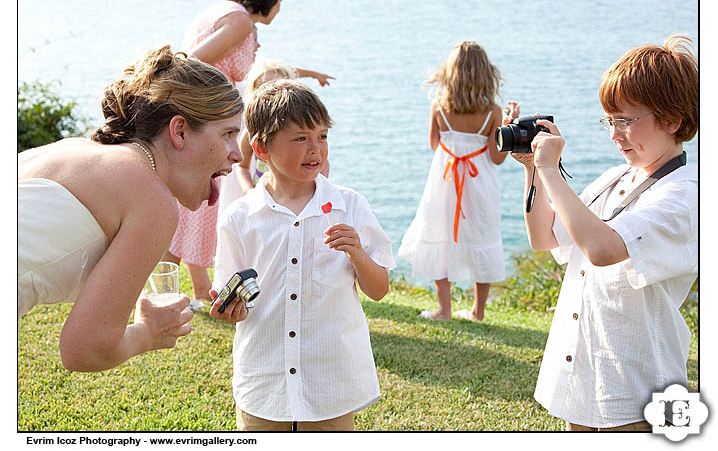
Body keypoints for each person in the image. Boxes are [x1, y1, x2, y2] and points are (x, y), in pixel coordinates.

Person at [18, 45, 244, 372]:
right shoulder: (153, 201)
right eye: (227, 134)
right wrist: (149, 334)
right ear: (179, 131)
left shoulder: (77, 149)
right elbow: (84, 349)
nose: (237, 155)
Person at [512, 35, 698, 431]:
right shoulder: (616, 177)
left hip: (641, 386)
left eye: (627, 121)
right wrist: (533, 169)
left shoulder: (686, 195)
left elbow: (601, 248)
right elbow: (544, 237)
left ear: (673, 119)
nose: (615, 135)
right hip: (583, 374)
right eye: (610, 121)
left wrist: (550, 170)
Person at [209, 79, 396, 431]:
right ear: (261, 148)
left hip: (330, 384)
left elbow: (379, 289)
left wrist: (357, 253)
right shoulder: (239, 217)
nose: (316, 150)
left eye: (322, 136)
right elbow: (228, 299)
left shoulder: (350, 206)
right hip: (264, 383)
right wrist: (228, 309)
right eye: (300, 138)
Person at [166, 0, 334, 310]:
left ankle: (180, 290)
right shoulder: (241, 20)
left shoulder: (222, 12)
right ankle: (194, 291)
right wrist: (215, 105)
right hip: (208, 118)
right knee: (202, 207)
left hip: (203, 117)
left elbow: (256, 71)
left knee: (192, 208)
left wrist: (309, 72)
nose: (280, 7)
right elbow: (191, 62)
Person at [398, 41, 516, 321]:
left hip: (444, 181)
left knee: (439, 233)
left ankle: (444, 309)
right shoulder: (493, 112)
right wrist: (509, 127)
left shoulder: (439, 107)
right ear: (486, 74)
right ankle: (478, 311)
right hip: (480, 184)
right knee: (482, 235)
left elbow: (433, 144)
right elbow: (496, 158)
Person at [218, 58, 332, 217]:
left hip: (301, 191)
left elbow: (323, 163)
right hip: (265, 193)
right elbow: (242, 167)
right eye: (265, 88)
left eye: (322, 136)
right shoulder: (249, 133)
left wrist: (319, 187)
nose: (274, 94)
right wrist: (249, 191)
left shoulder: (305, 130)